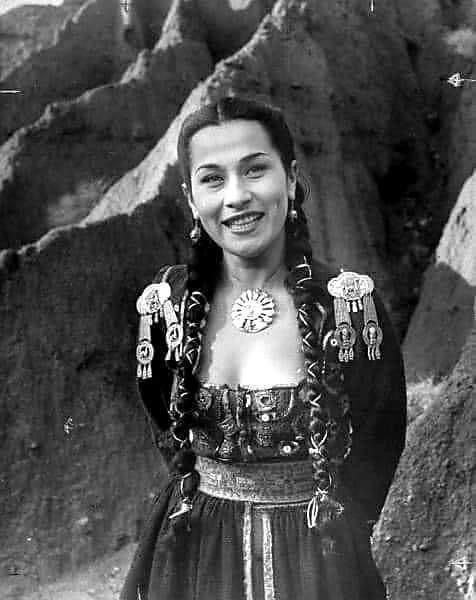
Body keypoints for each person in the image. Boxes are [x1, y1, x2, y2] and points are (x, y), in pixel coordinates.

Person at [121, 96, 407, 600]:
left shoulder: (347, 305)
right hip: (197, 558)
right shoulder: (164, 306)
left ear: (291, 180)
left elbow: (378, 443)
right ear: (191, 199)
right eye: (213, 179)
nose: (237, 197)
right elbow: (165, 426)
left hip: (317, 563)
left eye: (255, 170)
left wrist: (328, 541)